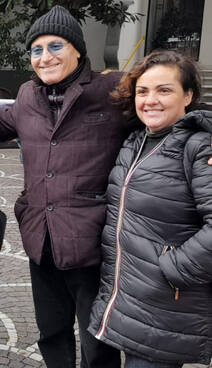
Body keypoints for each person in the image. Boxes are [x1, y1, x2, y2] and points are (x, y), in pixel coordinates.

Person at [0, 5, 128, 367]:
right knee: (51, 331)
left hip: (92, 243)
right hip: (40, 237)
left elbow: (165, 103)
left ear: (78, 49)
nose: (44, 57)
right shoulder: (28, 97)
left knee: (98, 339)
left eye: (55, 47)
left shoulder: (112, 89)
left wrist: (199, 132)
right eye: (36, 49)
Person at [88, 50, 212, 368]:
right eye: (143, 91)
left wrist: (174, 268)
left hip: (164, 311)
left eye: (164, 90)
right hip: (129, 302)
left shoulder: (199, 147)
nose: (151, 100)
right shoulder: (136, 142)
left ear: (189, 95)